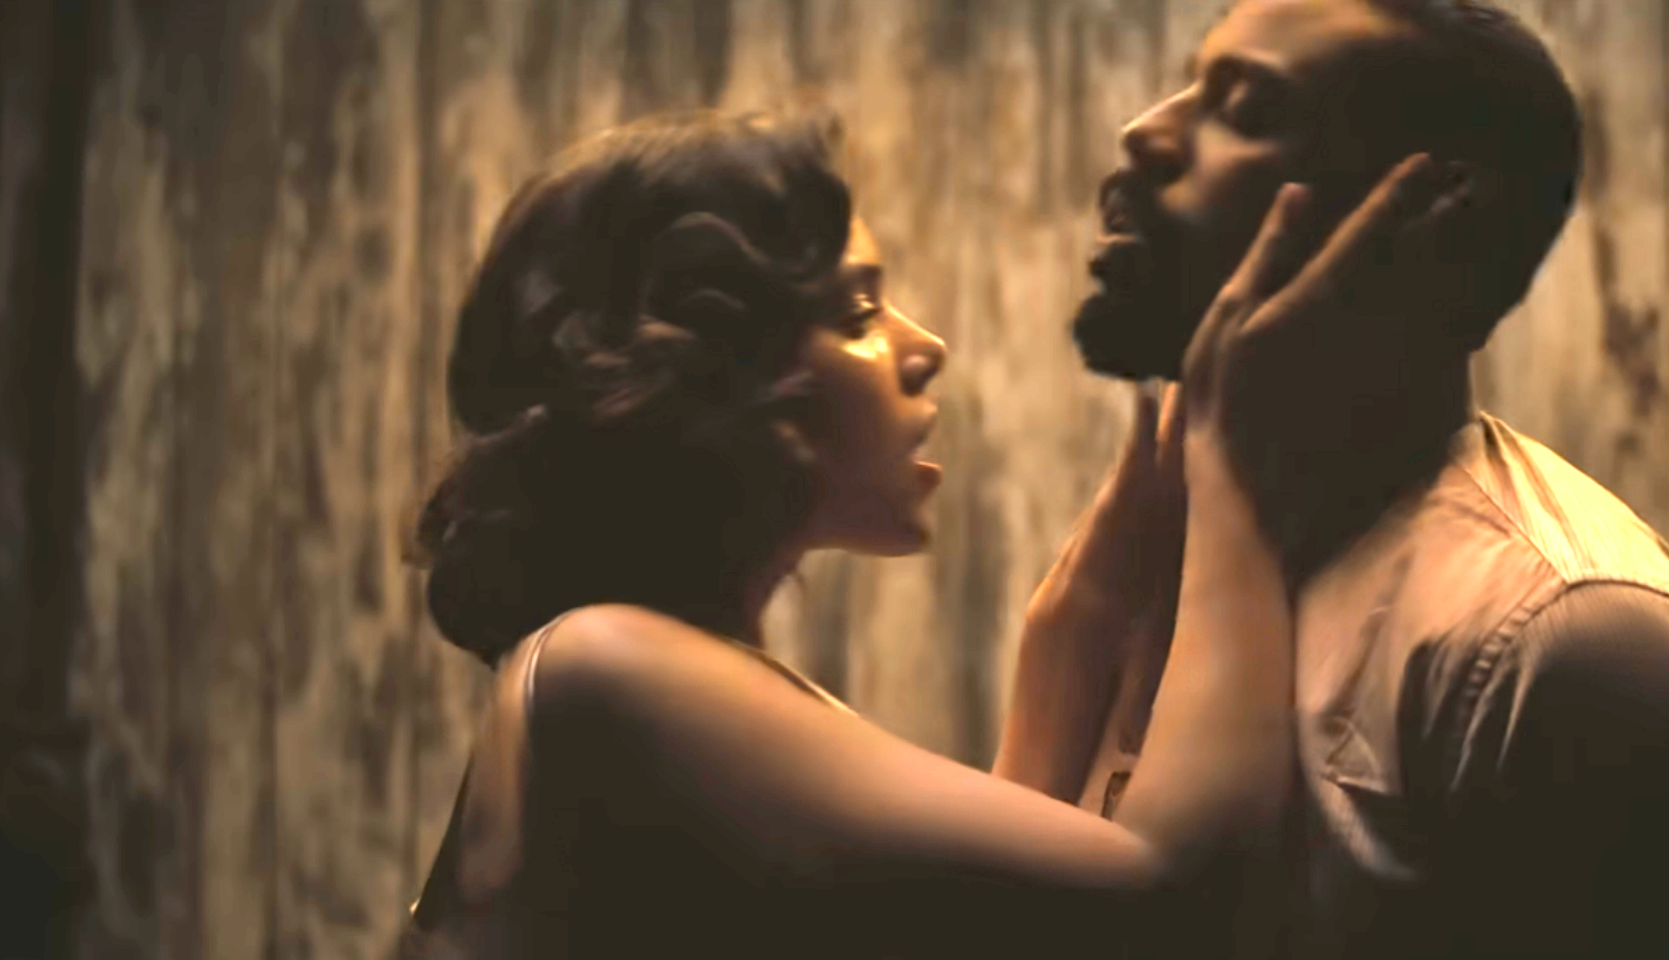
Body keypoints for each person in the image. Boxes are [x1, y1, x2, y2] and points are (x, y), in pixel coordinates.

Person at [396, 107, 1446, 958]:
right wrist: (1234, 463)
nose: (923, 346)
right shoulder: (608, 669)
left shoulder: (652, 674)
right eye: (859, 311)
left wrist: (1081, 614)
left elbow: (995, 929)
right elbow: (1173, 904)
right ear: (708, 373)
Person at [997, 1, 1669, 957]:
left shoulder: (1570, 647)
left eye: (1248, 108)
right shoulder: (1149, 580)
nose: (1143, 131)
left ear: (1438, 218)